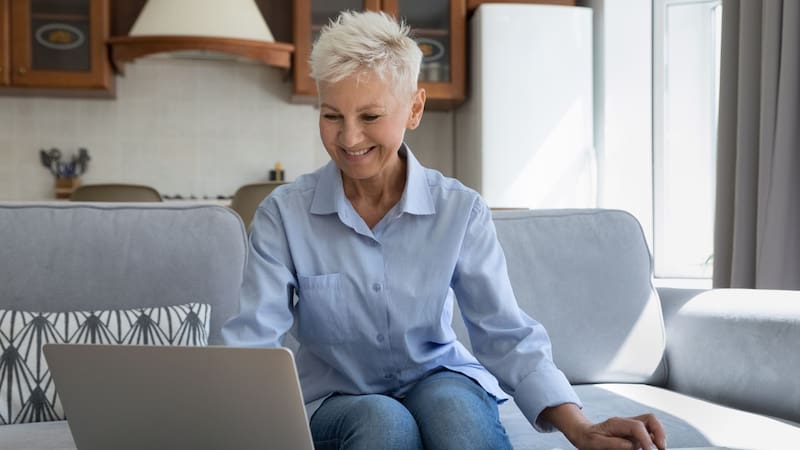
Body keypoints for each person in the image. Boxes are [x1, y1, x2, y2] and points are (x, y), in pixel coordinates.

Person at [222, 10, 667, 450]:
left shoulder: (459, 210)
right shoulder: (283, 215)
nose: (349, 138)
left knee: (454, 415)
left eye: (371, 117)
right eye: (332, 116)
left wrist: (582, 429)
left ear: (414, 108)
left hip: (439, 377)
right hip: (335, 399)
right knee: (383, 421)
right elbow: (254, 342)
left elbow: (503, 333)